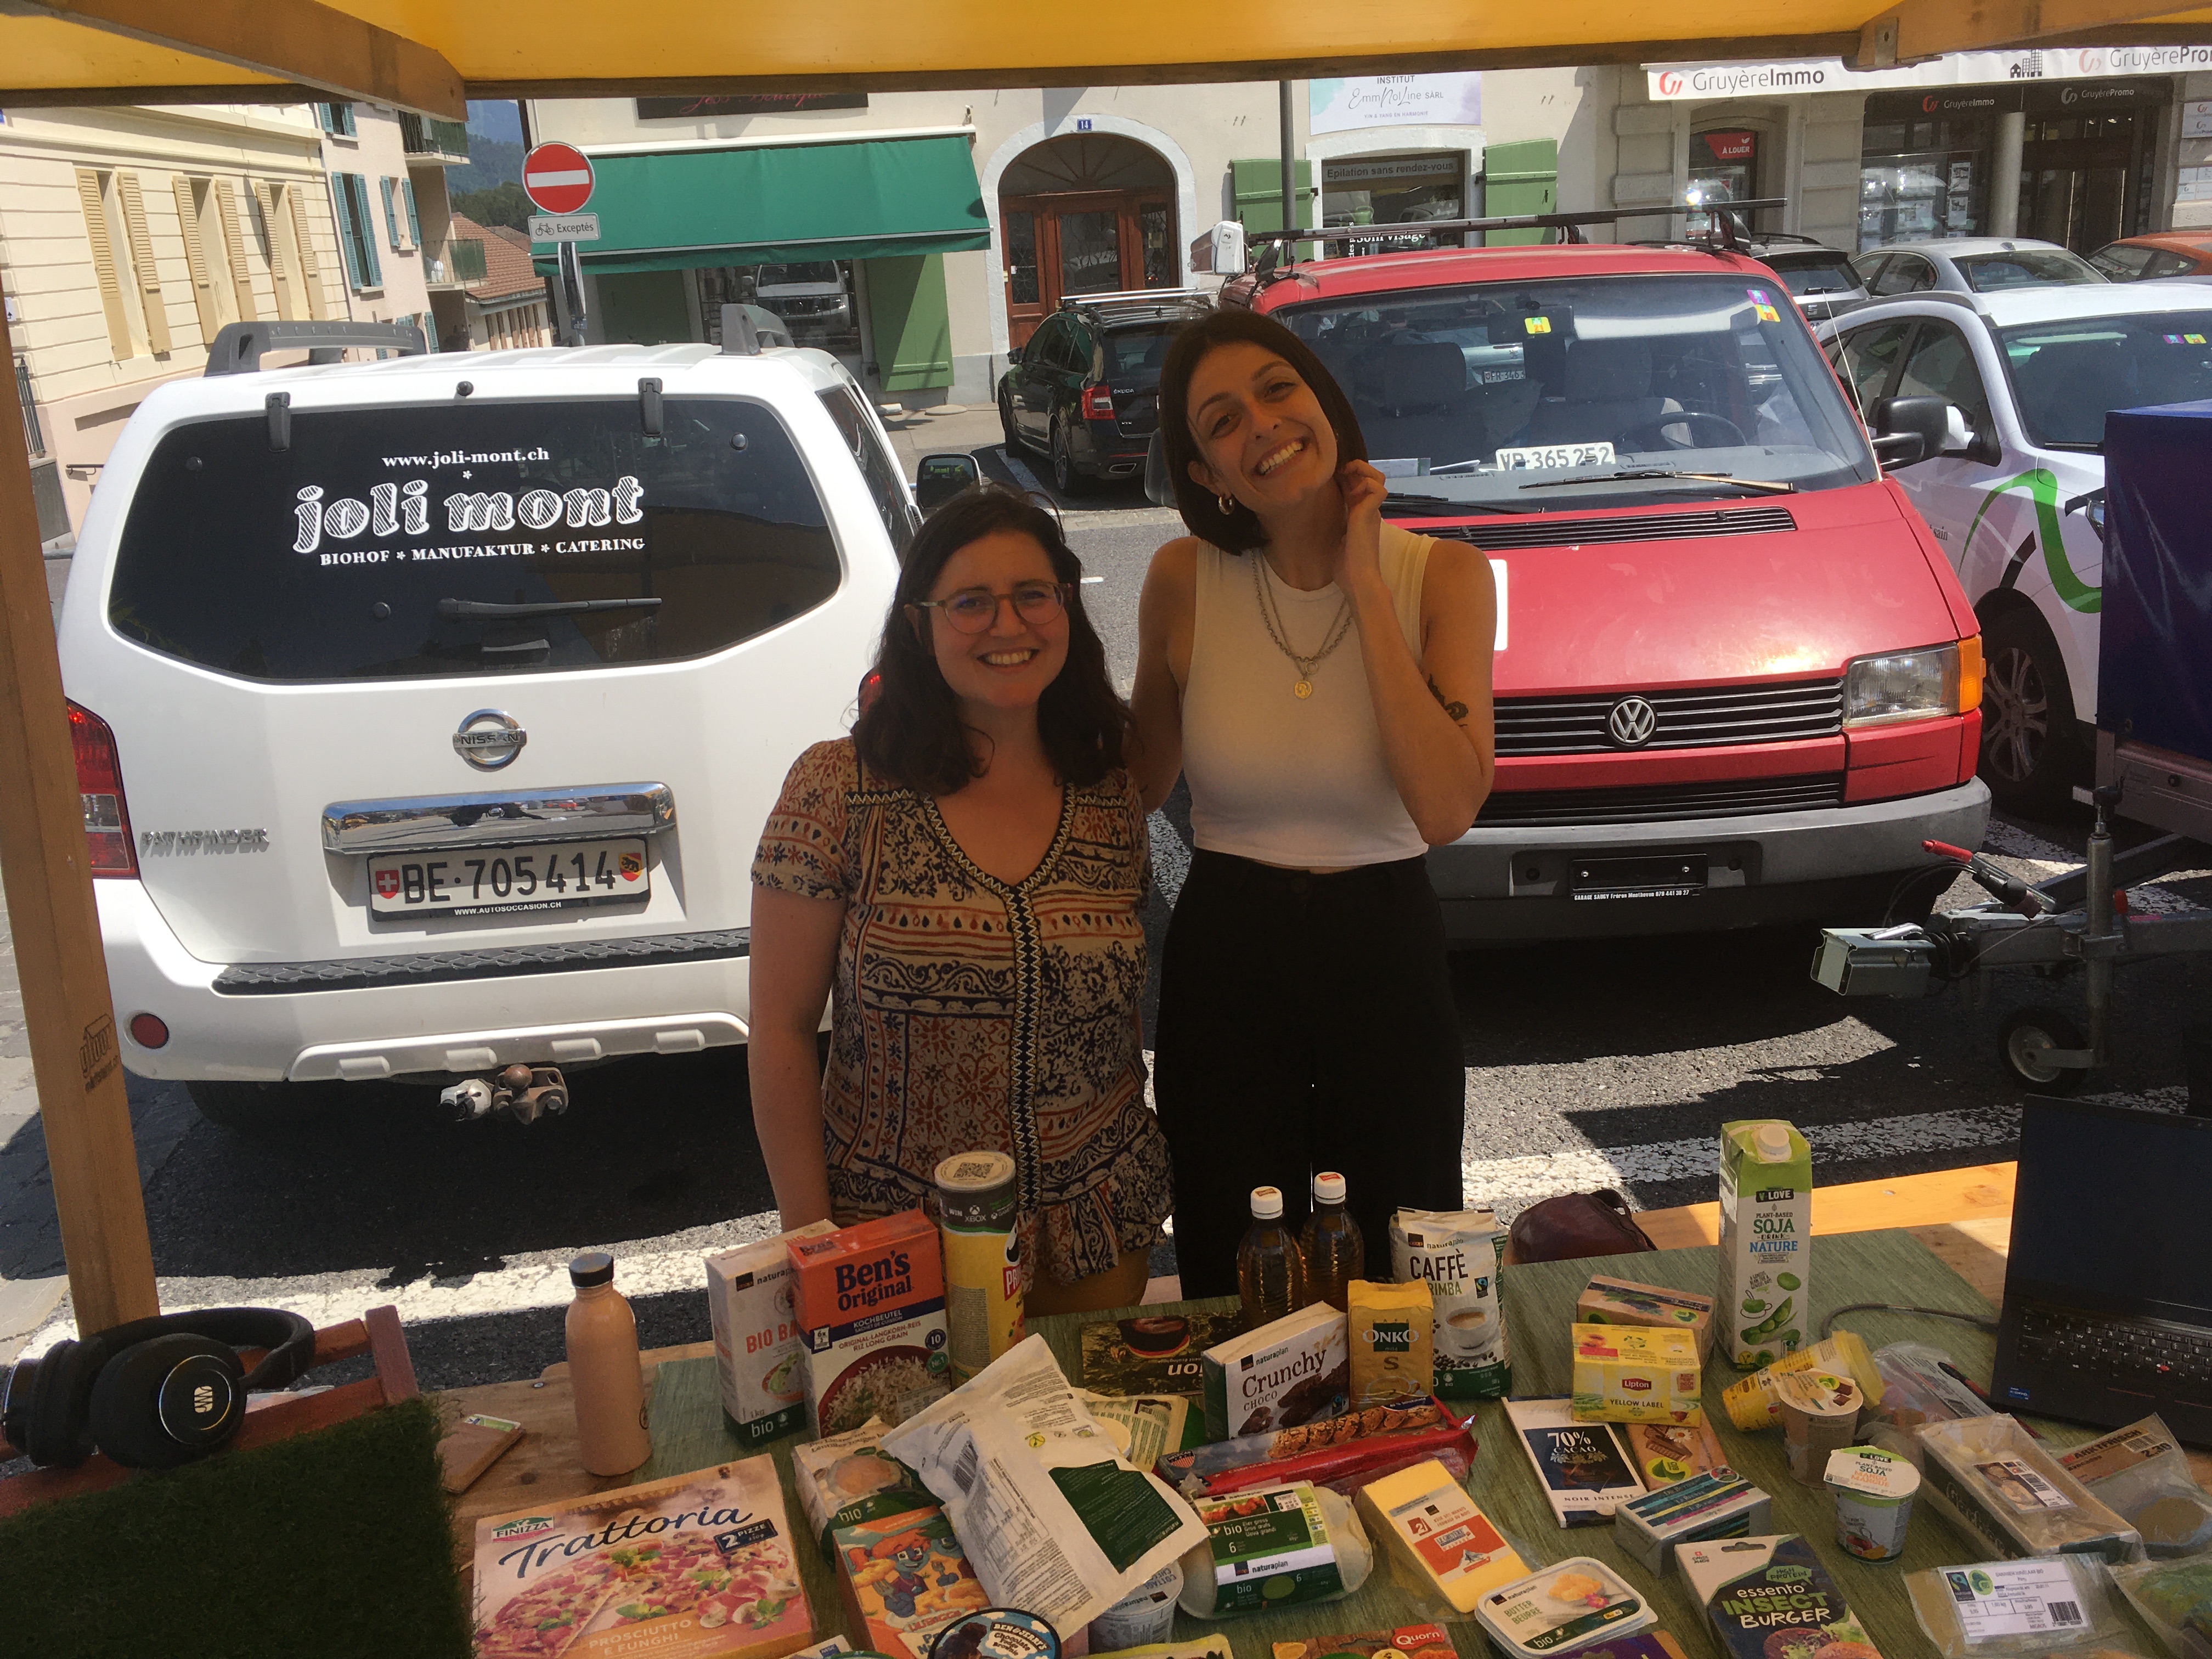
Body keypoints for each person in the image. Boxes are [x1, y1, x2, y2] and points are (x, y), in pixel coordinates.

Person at [1130, 307, 1498, 1298]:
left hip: (1386, 955)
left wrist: (1364, 582)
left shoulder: (1443, 577)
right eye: (1222, 421)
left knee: (1398, 1264)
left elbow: (1445, 808)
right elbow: (1136, 783)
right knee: (1230, 1257)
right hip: (1226, 958)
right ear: (1205, 472)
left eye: (1278, 389)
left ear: (1325, 404)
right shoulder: (1182, 579)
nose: (1262, 424)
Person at [749, 485, 1171, 1316]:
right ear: (921, 625)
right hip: (895, 1244)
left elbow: (1119, 1017)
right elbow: (782, 1032)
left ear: (1066, 608)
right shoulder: (838, 789)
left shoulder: (1108, 791)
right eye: (971, 602)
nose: (1008, 626)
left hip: (1095, 1227)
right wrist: (814, 1244)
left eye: (1033, 595)